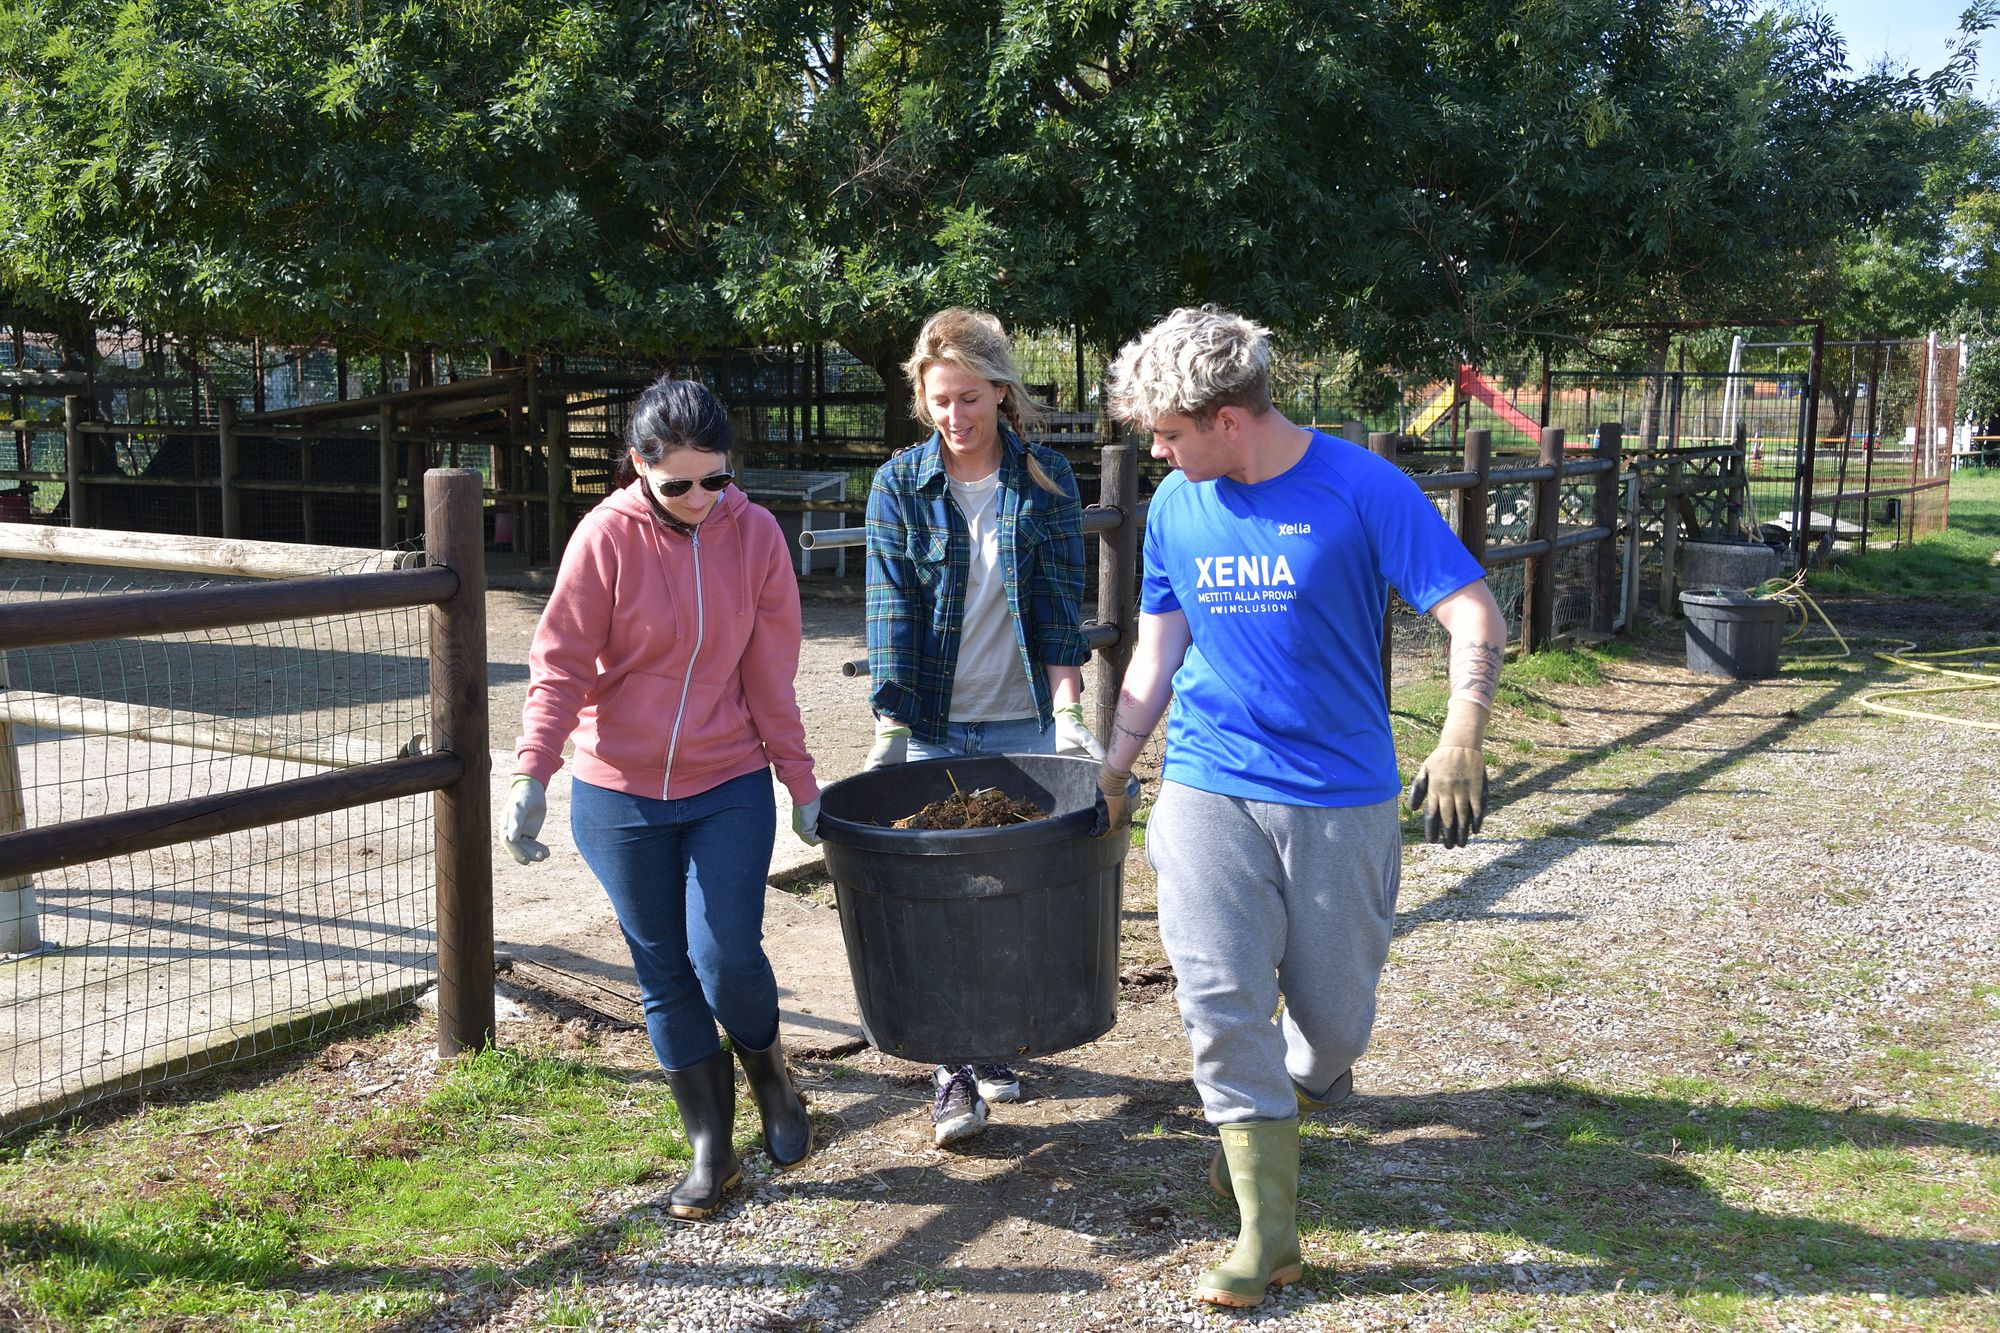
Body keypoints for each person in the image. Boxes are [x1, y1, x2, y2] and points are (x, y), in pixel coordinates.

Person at [1092, 306, 1507, 1308]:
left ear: (1227, 416)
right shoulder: (1178, 506)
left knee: (1331, 1024)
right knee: (1218, 1001)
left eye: (1167, 431)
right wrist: (1111, 772)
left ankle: (1281, 1101)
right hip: (1205, 785)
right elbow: (1155, 653)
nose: (1154, 449)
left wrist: (1461, 734)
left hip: (1338, 794)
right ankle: (1265, 1230)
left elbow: (1470, 610)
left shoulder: (1361, 487)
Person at [501, 377, 823, 1221]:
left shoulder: (754, 536)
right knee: (662, 971)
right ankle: (710, 1148)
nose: (696, 499)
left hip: (728, 783)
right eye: (675, 483)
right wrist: (534, 771)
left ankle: (774, 1081)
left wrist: (800, 779)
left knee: (725, 954)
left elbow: (770, 675)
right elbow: (562, 662)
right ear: (637, 466)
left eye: (713, 480)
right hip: (618, 794)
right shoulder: (604, 538)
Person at [863, 307, 1100, 1146]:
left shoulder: (1047, 482)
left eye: (970, 397)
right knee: (941, 901)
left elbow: (1059, 610)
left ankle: (992, 1039)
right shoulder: (899, 485)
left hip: (1024, 721)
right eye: (940, 401)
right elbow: (890, 611)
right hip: (933, 722)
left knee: (1009, 893)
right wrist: (891, 726)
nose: (955, 417)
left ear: (1002, 391)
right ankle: (953, 1073)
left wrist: (1068, 712)